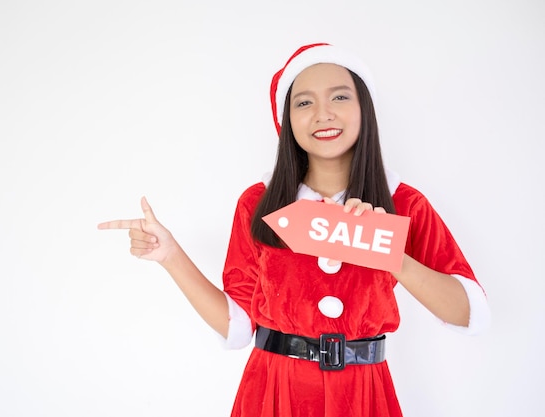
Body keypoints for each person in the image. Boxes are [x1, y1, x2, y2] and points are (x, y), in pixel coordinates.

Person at [98, 42, 490, 417]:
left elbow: (470, 314)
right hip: (272, 392)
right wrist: (171, 257)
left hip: (363, 394)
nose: (323, 113)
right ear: (286, 120)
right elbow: (237, 329)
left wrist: (386, 250)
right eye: (304, 102)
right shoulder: (259, 204)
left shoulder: (403, 203)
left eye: (339, 97)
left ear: (364, 109)